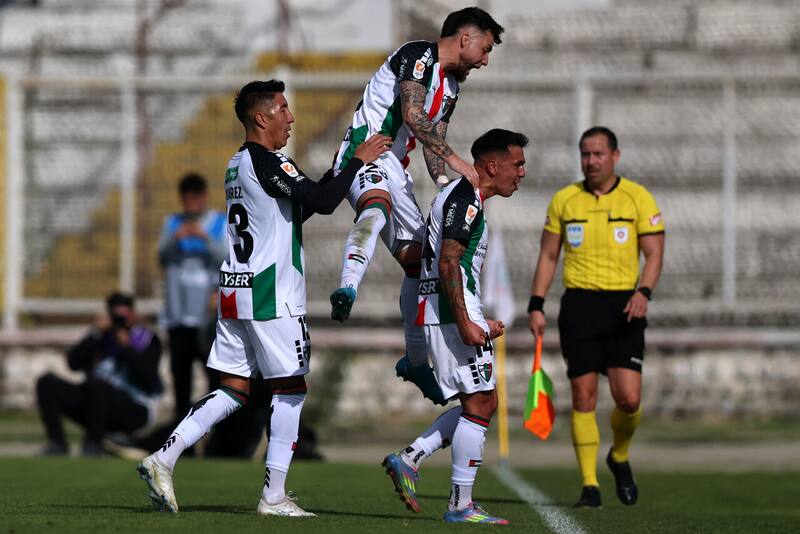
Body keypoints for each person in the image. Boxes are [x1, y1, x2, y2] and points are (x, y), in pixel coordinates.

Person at [137, 79, 390, 517]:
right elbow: (327, 203)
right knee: (291, 388)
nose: (290, 118)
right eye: (283, 110)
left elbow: (300, 206)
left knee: (234, 389)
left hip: (236, 291)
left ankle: (163, 458)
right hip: (271, 292)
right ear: (262, 117)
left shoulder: (237, 163)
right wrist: (356, 162)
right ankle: (273, 497)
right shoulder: (267, 160)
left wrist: (336, 172)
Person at [328, 7, 504, 406]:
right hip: (365, 150)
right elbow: (412, 114)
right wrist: (460, 161)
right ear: (465, 38)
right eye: (485, 48)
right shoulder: (418, 54)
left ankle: (414, 360)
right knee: (376, 206)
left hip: (397, 167)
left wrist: (445, 183)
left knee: (420, 261)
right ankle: (347, 286)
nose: (485, 60)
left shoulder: (453, 88)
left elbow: (433, 140)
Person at [382, 129, 528, 524]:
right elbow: (448, 262)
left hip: (448, 309)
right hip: (450, 312)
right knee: (480, 404)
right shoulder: (465, 199)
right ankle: (460, 505)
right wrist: (465, 321)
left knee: (479, 402)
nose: (522, 172)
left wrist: (475, 316)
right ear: (492, 165)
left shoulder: (464, 197)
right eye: (517, 164)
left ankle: (410, 458)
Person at [527, 126, 665, 508]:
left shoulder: (638, 198)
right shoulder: (565, 200)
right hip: (579, 308)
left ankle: (618, 456)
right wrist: (536, 304)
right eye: (585, 154)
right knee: (583, 397)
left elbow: (654, 253)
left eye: (598, 154)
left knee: (629, 399)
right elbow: (549, 256)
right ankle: (589, 485)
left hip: (625, 306)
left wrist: (643, 292)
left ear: (615, 156)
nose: (590, 161)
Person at [36, 292, 162, 456]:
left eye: (123, 317)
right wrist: (94, 334)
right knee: (47, 383)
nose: (119, 322)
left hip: (134, 408)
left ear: (133, 315)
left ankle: (93, 443)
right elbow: (73, 364)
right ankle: (57, 443)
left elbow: (149, 379)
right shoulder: (101, 337)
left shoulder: (147, 339)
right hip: (95, 402)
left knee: (98, 385)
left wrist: (127, 348)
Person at [158, 172, 227, 417]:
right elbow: (162, 257)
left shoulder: (219, 223)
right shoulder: (172, 223)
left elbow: (229, 259)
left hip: (208, 318)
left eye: (195, 199)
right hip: (179, 316)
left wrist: (204, 237)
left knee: (214, 377)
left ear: (205, 197)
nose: (190, 205)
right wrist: (173, 239)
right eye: (186, 200)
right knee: (181, 378)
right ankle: (180, 436)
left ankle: (213, 432)